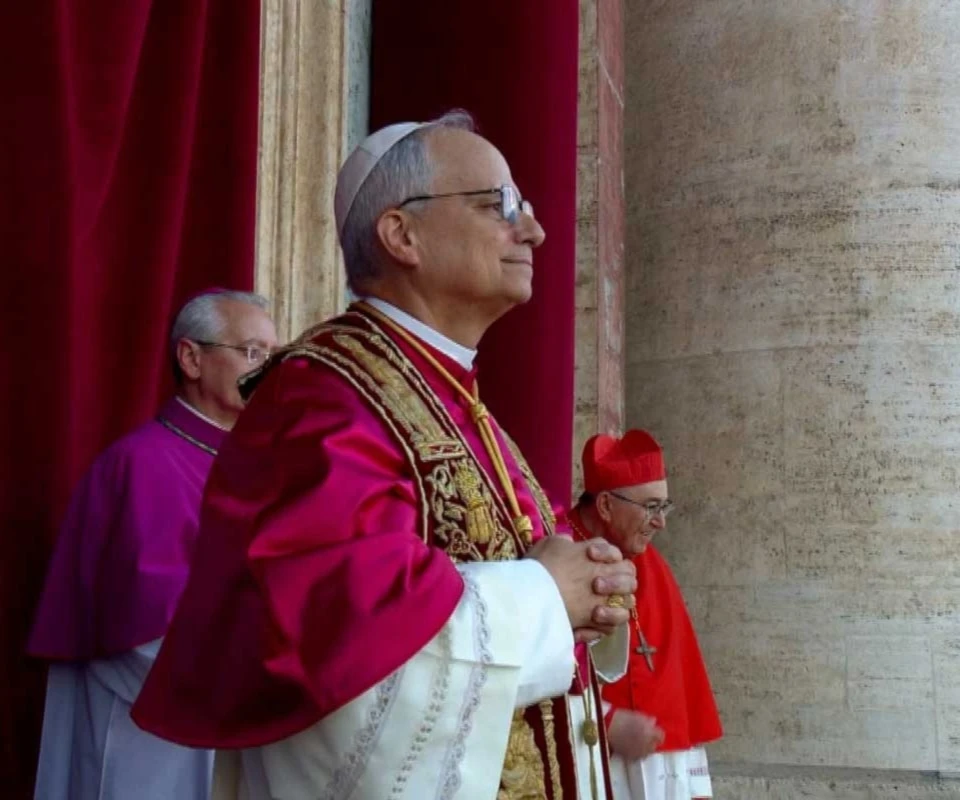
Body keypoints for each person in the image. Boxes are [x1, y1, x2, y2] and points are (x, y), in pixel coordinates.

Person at [131, 111, 635, 800]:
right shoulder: (321, 398)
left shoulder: (459, 400)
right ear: (402, 234)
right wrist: (547, 597)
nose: (534, 230)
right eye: (500, 205)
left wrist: (591, 590)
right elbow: (343, 641)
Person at [28, 289, 279, 800]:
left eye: (273, 357)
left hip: (234, 719)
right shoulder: (144, 464)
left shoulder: (255, 462)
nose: (268, 371)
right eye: (252, 353)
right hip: (154, 730)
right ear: (191, 358)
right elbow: (145, 624)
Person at [566, 430, 723, 800]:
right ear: (605, 505)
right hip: (586, 755)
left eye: (664, 507)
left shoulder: (655, 566)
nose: (660, 522)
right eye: (651, 507)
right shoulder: (560, 559)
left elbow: (682, 685)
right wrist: (605, 723)